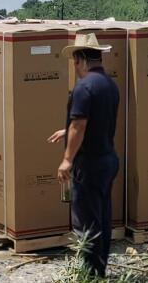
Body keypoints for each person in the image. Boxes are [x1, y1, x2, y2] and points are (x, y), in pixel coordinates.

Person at [48, 33, 120, 278]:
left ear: (80, 59)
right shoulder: (109, 85)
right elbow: (94, 121)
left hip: (88, 164)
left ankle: (89, 275)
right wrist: (66, 130)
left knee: (86, 224)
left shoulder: (84, 86)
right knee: (101, 218)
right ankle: (99, 270)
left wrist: (67, 159)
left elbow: (80, 124)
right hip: (108, 160)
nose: (75, 67)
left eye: (74, 61)